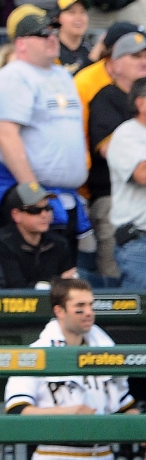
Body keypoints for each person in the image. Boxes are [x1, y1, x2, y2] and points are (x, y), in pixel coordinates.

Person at [4, 278, 140, 460]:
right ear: (60, 311)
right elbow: (17, 410)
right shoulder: (37, 352)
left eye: (90, 305)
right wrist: (69, 413)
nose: (88, 313)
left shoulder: (106, 348)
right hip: (57, 458)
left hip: (103, 457)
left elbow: (124, 406)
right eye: (80, 308)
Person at [0, 5, 88, 238]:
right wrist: (34, 195)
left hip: (65, 196)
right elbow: (6, 134)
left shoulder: (62, 75)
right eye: (42, 34)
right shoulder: (14, 76)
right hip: (30, 202)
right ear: (21, 43)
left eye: (53, 32)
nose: (51, 39)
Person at [87, 32, 146, 281]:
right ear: (115, 63)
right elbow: (140, 172)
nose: (143, 61)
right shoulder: (107, 101)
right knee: (127, 307)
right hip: (125, 220)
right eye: (136, 56)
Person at [0, 183, 76, 287]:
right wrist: (57, 283)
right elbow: (15, 289)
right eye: (35, 210)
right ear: (16, 215)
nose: (44, 215)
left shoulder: (59, 244)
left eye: (47, 208)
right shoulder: (0, 244)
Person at [107, 76, 146, 287]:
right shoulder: (126, 134)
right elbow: (142, 174)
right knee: (141, 314)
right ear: (141, 103)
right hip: (140, 243)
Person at [55, 0, 92, 74]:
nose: (79, 17)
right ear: (57, 19)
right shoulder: (50, 50)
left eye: (82, 12)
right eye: (72, 12)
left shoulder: (91, 50)